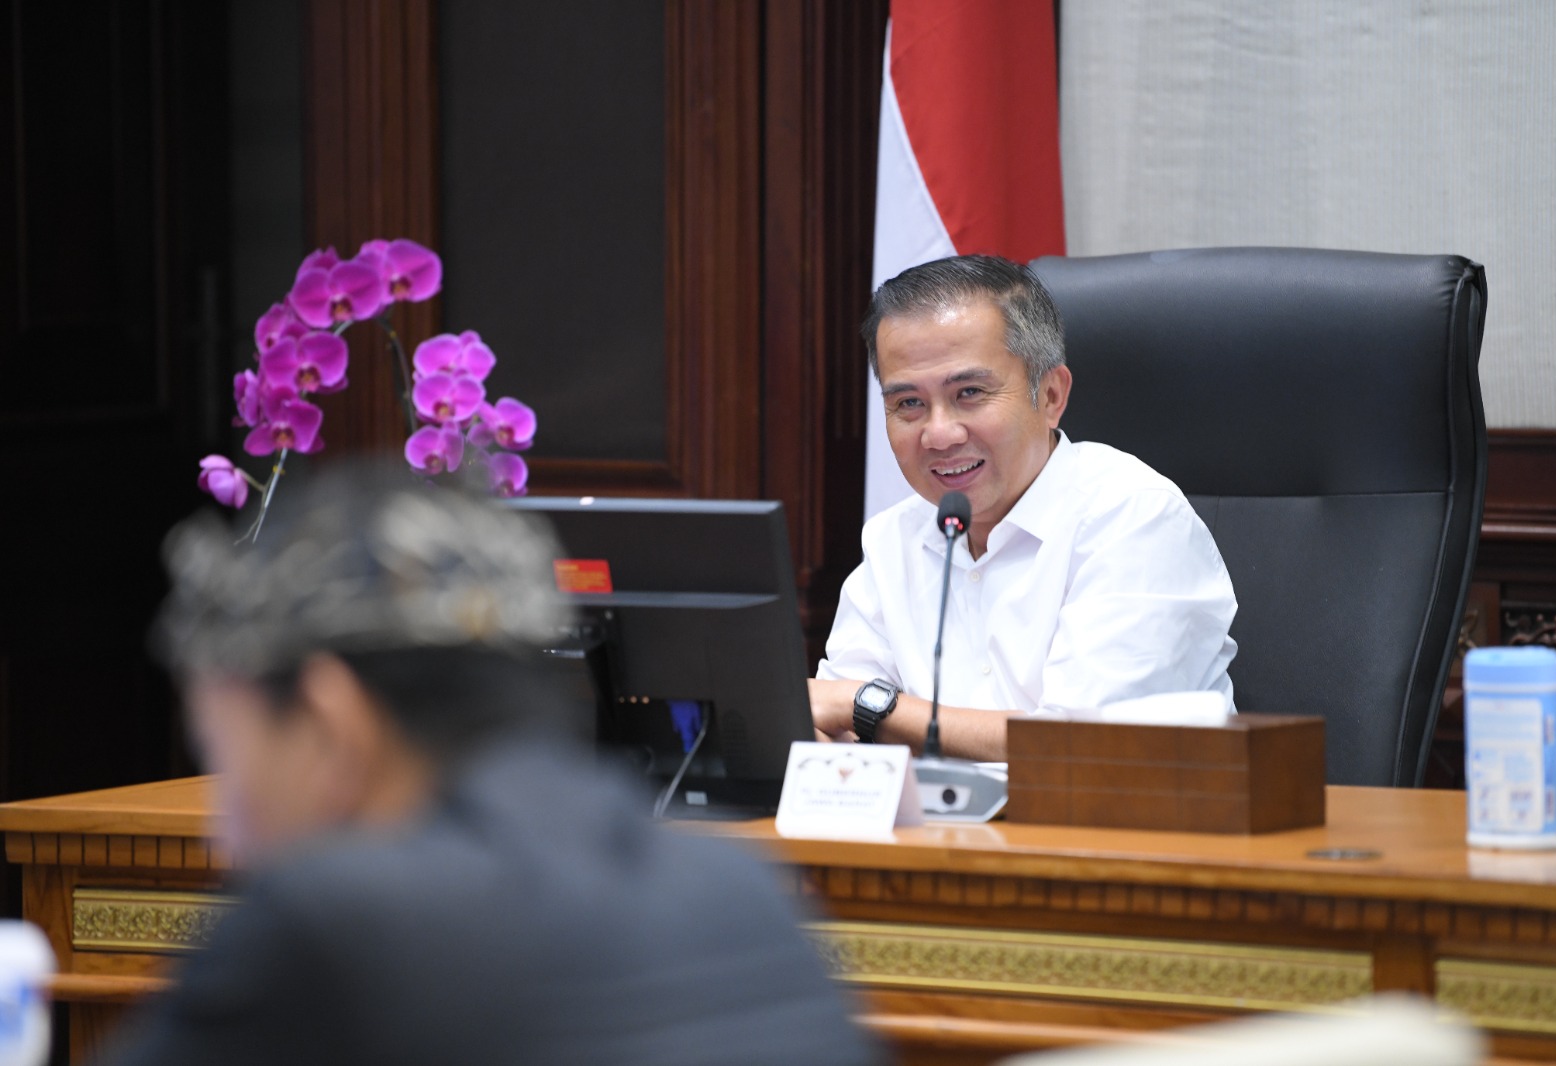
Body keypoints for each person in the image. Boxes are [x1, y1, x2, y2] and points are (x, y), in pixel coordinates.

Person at [103, 468, 881, 1066]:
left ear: (331, 719)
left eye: (224, 756)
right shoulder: (741, 889)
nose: (224, 835)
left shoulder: (328, 923)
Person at [810, 255, 1238, 762]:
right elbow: (830, 721)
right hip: (933, 836)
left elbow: (1080, 749)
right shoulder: (893, 538)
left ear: (1052, 395)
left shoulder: (1134, 518)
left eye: (969, 393)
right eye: (908, 404)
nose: (939, 434)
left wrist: (872, 708)